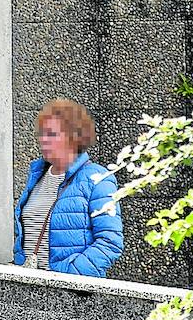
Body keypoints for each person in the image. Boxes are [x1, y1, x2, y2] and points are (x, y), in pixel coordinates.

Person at [13, 98, 123, 276]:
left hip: (71, 293)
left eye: (52, 134)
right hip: (30, 289)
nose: (43, 140)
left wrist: (67, 275)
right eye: (42, 134)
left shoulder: (97, 178)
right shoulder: (37, 177)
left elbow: (110, 242)